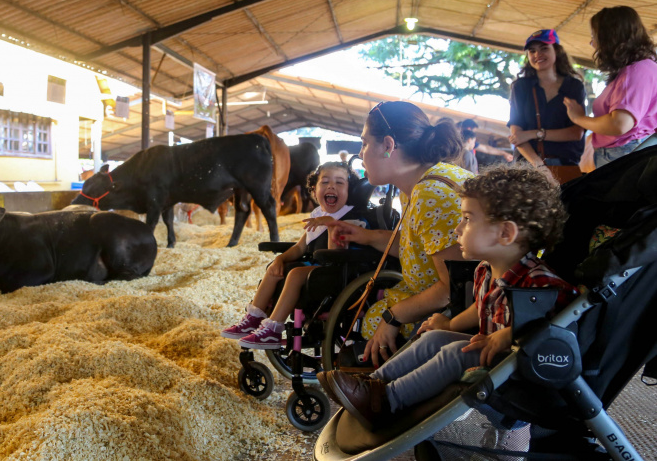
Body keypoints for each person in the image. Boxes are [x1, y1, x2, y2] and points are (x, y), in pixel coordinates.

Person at [318, 165, 578, 429]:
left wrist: (511, 334)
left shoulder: (539, 282)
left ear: (505, 233)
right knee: (435, 337)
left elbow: (565, 324)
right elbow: (481, 305)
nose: (457, 229)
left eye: (467, 219)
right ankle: (372, 383)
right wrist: (450, 324)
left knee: (455, 352)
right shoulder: (485, 270)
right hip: (492, 355)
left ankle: (388, 401)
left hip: (518, 370)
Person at [314, 102, 473, 366]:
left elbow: (452, 288)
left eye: (364, 144)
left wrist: (392, 316)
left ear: (388, 145)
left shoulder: (431, 192)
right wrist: (365, 236)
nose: (361, 153)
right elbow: (421, 247)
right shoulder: (418, 184)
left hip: (443, 322)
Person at [221, 162, 368, 348]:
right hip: (318, 273)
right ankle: (254, 316)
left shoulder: (351, 219)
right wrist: (280, 258)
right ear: (314, 191)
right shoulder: (317, 215)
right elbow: (299, 248)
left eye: (340, 183)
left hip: (340, 277)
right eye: (325, 182)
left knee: (296, 273)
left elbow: (336, 255)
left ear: (349, 191)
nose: (332, 186)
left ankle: (272, 330)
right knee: (276, 268)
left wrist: (331, 224)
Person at [563, 6, 657, 168]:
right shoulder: (643, 66)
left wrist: (579, 118)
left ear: (610, 38)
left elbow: (619, 124)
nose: (592, 43)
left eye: (595, 36)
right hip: (625, 152)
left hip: (623, 154)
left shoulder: (635, 71)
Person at [507, 29, 586, 170]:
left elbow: (576, 133)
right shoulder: (520, 87)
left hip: (565, 165)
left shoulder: (574, 86)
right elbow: (517, 134)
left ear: (557, 51)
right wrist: (539, 166)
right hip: (527, 166)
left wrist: (533, 134)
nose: (538, 55)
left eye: (544, 48)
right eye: (532, 51)